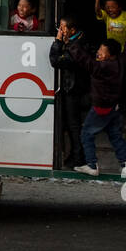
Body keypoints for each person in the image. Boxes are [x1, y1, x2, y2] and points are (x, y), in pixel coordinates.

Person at [68, 38, 126, 174]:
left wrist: (73, 45)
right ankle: (125, 164)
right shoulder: (120, 61)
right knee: (115, 135)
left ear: (110, 54)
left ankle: (91, 165)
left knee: (86, 133)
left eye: (101, 51)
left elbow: (86, 61)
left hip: (101, 107)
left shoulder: (103, 67)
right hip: (114, 106)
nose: (98, 53)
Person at [49, 15, 92, 169]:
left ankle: (79, 159)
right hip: (72, 87)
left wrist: (57, 42)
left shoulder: (76, 46)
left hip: (74, 89)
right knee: (69, 124)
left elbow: (55, 60)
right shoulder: (76, 41)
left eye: (63, 28)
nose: (60, 30)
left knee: (74, 126)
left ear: (72, 30)